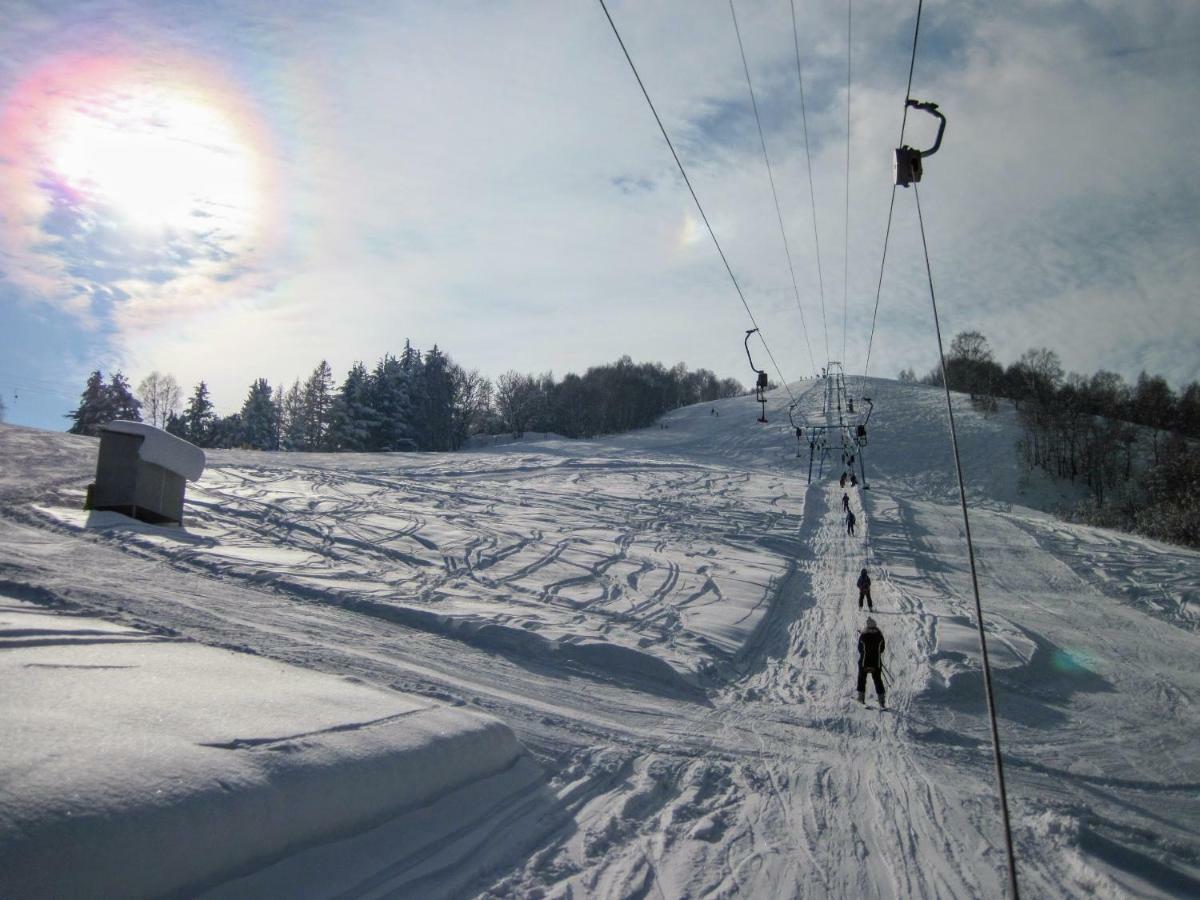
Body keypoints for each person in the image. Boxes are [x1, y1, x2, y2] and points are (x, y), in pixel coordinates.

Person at [857, 618, 886, 706]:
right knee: (878, 680)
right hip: (876, 663)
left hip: (864, 663)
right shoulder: (880, 636)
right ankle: (881, 701)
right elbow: (882, 649)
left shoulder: (863, 636)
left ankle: (861, 698)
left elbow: (859, 649)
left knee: (862, 679)